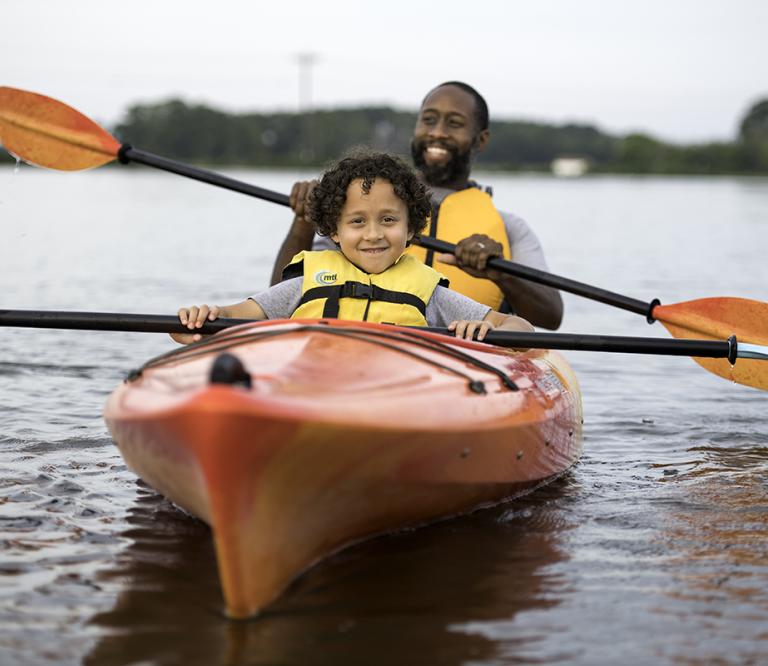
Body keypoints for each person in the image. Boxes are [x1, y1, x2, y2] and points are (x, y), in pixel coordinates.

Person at [270, 81, 563, 330]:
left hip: (466, 358)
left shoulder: (510, 228)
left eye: (455, 123)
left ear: (481, 139)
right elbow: (281, 297)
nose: (437, 132)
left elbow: (551, 316)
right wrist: (307, 218)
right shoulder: (357, 212)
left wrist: (501, 272)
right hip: (362, 346)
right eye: (428, 120)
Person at [173, 151, 533, 344]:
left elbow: (520, 329)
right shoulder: (304, 285)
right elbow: (235, 316)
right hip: (310, 388)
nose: (373, 234)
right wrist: (203, 317)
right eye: (357, 222)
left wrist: (488, 331)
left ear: (411, 229)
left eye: (389, 220)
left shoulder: (429, 294)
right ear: (332, 230)